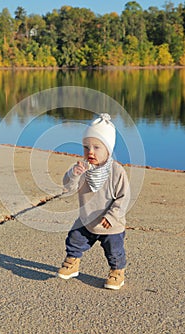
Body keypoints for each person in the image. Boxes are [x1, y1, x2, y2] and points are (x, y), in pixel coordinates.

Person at [57, 113, 130, 290]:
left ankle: (117, 272)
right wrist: (73, 175)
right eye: (86, 147)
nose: (90, 152)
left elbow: (123, 197)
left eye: (97, 147)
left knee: (114, 250)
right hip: (87, 218)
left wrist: (112, 216)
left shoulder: (116, 171)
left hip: (110, 224)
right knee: (75, 238)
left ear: (108, 150)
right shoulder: (83, 169)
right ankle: (72, 262)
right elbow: (69, 187)